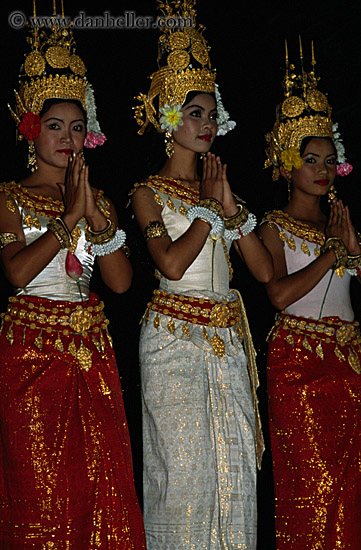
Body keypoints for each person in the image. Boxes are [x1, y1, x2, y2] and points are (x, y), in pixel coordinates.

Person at [0, 14, 146, 549]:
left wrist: (96, 217)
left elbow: (122, 282)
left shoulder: (97, 202)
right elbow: (17, 272)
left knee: (99, 482)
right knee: (41, 486)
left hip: (91, 351)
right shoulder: (9, 197)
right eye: (56, 125)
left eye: (77, 127)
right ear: (31, 128)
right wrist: (66, 221)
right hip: (32, 352)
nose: (67, 137)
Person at [131, 2, 273, 548]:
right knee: (185, 480)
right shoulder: (146, 192)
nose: (207, 124)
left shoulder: (218, 187)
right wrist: (209, 210)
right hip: (172, 338)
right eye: (194, 113)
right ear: (169, 119)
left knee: (235, 479)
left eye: (212, 114)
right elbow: (169, 264)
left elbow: (261, 271)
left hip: (226, 338)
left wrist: (226, 203)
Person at [259, 42, 361, 549]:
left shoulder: (341, 224)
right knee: (309, 493)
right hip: (298, 365)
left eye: (329, 160)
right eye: (310, 159)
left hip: (349, 365)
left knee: (350, 494)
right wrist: (329, 254)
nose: (321, 170)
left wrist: (352, 249)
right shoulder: (275, 226)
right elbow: (278, 295)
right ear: (286, 164)